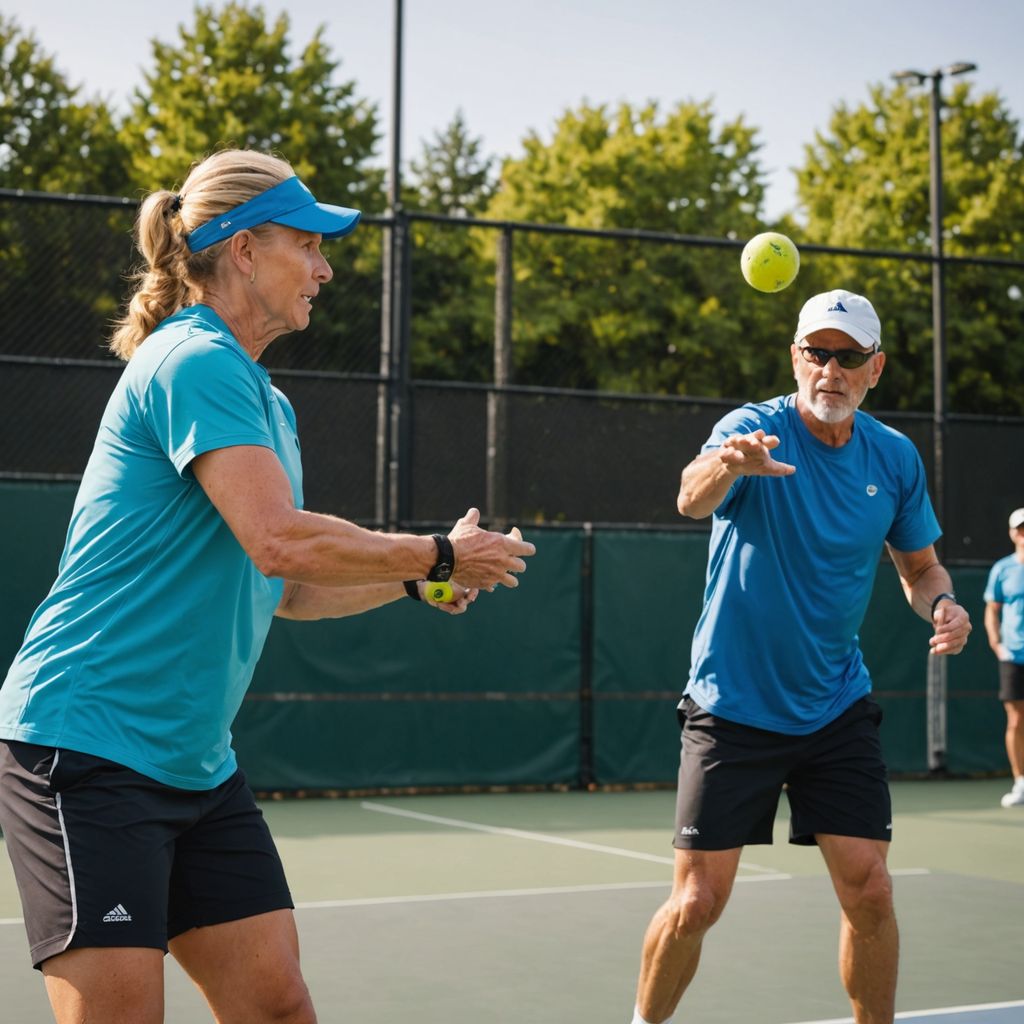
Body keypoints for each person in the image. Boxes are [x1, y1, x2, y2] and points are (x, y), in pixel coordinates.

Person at [0, 149, 535, 1024]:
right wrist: (435, 553)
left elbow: (281, 587)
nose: (325, 268)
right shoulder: (192, 360)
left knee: (278, 1006)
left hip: (195, 765)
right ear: (244, 249)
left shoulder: (265, 401)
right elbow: (281, 540)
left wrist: (412, 581)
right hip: (85, 747)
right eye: (310, 243)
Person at [628, 289, 971, 1024]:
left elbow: (920, 570)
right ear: (795, 358)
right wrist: (730, 464)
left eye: (848, 357)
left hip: (835, 706)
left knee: (871, 889)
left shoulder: (895, 457)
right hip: (733, 706)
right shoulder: (752, 429)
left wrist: (942, 605)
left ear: (874, 369)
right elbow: (691, 499)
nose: (831, 370)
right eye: (817, 353)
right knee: (695, 903)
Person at [983, 507, 1024, 808]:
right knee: (1016, 718)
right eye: (1021, 529)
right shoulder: (1003, 569)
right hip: (1013, 655)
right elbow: (991, 610)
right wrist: (997, 644)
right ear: (1013, 534)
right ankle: (1021, 781)